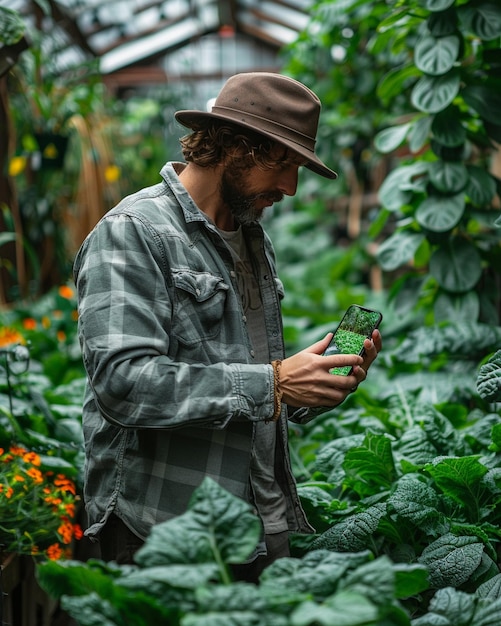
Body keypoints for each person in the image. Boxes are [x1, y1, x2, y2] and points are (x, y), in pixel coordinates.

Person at [73, 72, 382, 581]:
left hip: (255, 518)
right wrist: (275, 382)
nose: (291, 187)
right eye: (284, 164)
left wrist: (308, 387)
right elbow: (122, 384)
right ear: (237, 148)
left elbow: (251, 383)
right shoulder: (135, 233)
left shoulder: (251, 237)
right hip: (160, 531)